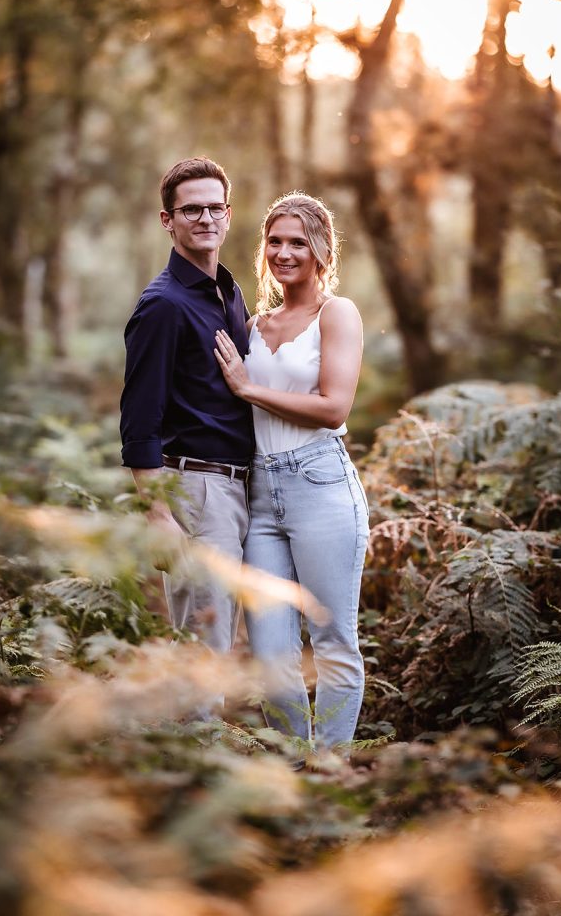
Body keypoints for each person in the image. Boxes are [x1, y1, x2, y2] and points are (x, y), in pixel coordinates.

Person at [214, 192, 369, 750]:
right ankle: (293, 767)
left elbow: (334, 408)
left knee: (332, 640)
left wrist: (248, 389)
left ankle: (329, 773)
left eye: (298, 242)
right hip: (260, 494)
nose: (284, 252)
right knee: (272, 650)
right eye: (275, 241)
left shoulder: (337, 313)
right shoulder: (253, 325)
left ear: (322, 250)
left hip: (322, 484)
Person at [120, 156, 254, 652]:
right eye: (191, 210)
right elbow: (139, 421)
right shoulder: (163, 305)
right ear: (167, 220)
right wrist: (158, 514)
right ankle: (194, 734)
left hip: (242, 488)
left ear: (229, 214)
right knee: (204, 644)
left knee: (224, 636)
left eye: (215, 208)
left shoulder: (229, 290)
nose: (206, 219)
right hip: (197, 492)